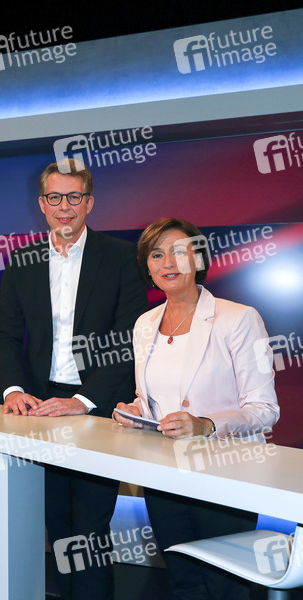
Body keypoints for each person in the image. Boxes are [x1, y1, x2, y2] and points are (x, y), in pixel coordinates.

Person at [0, 159, 149, 600]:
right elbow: (7, 336)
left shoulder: (121, 257)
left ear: (89, 203)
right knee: (57, 526)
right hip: (40, 410)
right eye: (55, 197)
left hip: (97, 408)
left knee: (92, 529)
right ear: (42, 204)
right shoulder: (22, 260)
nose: (65, 206)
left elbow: (128, 339)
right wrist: (14, 389)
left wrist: (83, 400)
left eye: (74, 197)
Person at [114, 217, 279, 599]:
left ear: (199, 258)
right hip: (164, 476)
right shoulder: (145, 324)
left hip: (226, 473)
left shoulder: (239, 318)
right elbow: (153, 399)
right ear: (147, 266)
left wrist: (206, 424)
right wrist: (135, 411)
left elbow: (265, 409)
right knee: (183, 581)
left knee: (227, 587)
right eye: (157, 254)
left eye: (179, 252)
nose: (168, 263)